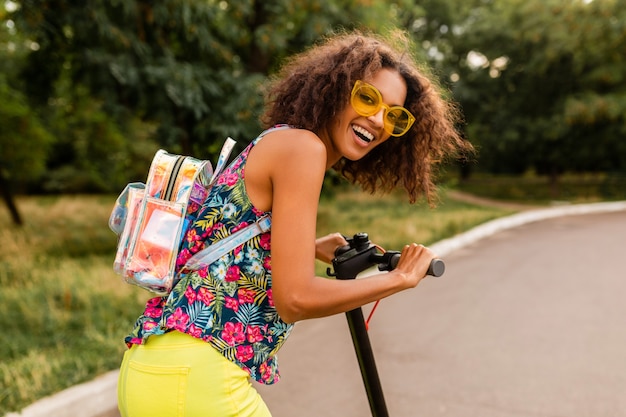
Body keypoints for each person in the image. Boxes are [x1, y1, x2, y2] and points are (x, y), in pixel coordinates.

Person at [117, 30, 471, 417]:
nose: (378, 119)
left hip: (153, 370)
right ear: (335, 89)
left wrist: (306, 247)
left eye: (394, 115)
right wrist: (398, 279)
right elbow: (295, 299)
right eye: (367, 98)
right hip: (198, 380)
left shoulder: (280, 142)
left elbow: (229, 237)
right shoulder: (305, 149)